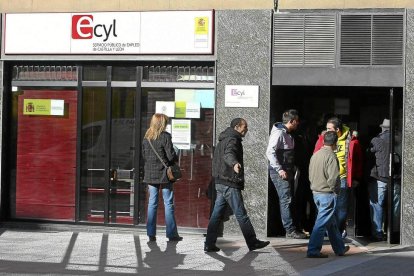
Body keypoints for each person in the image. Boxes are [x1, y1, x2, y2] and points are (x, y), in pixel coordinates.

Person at [204, 118, 270, 252]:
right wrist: (234, 163)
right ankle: (252, 242)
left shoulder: (223, 138)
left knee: (216, 214)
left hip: (220, 181)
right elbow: (229, 154)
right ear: (237, 127)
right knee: (241, 213)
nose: (247, 129)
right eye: (244, 127)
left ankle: (209, 243)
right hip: (229, 181)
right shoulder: (233, 140)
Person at [313, 117, 363, 238]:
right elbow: (315, 156)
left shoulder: (351, 140)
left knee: (341, 208)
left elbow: (358, 160)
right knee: (326, 207)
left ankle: (338, 231)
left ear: (338, 130)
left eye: (329, 129)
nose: (327, 131)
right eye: (326, 128)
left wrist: (356, 177)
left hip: (342, 178)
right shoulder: (323, 138)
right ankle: (329, 233)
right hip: (325, 179)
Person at [307, 131, 350, 258]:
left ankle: (340, 248)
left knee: (331, 223)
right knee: (321, 224)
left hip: (316, 192)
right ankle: (313, 250)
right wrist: (336, 191)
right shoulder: (331, 156)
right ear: (335, 143)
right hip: (326, 193)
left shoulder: (316, 155)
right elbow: (334, 178)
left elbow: (310, 174)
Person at [266, 109, 307, 239]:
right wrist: (280, 169)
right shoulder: (278, 133)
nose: (298, 124)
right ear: (291, 121)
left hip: (287, 170)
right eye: (297, 121)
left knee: (289, 199)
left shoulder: (287, 133)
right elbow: (270, 152)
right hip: (280, 173)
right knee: (286, 200)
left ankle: (293, 228)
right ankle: (290, 230)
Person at [142, 113, 182, 242]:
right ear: (162, 123)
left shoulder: (146, 137)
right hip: (164, 174)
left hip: (150, 174)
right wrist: (176, 154)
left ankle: (151, 234)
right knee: (168, 203)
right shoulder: (165, 137)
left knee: (152, 203)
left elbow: (144, 156)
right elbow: (170, 156)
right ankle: (171, 234)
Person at [368, 118, 392, 241]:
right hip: (394, 179)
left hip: (379, 177)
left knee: (377, 205)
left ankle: (378, 232)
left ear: (382, 128)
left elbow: (369, 155)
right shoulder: (398, 140)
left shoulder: (376, 140)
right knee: (392, 206)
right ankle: (392, 231)